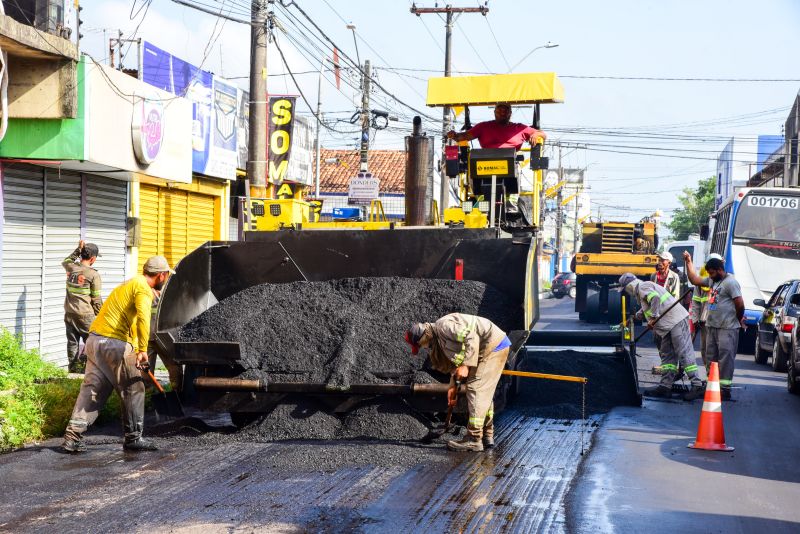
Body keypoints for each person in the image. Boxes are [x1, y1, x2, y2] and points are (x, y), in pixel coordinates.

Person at [62, 256, 175, 453]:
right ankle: (134, 437)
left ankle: (72, 437)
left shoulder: (130, 283)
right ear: (161, 275)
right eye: (166, 276)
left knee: (92, 389)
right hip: (114, 343)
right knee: (133, 387)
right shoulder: (143, 289)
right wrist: (141, 351)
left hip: (95, 340)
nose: (165, 279)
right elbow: (143, 318)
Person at [405, 313, 511, 452]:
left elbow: (471, 337)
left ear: (425, 335)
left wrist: (466, 365)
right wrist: (452, 387)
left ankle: (474, 439)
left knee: (476, 388)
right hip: (484, 349)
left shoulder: (444, 326)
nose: (424, 348)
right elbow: (457, 363)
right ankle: (487, 434)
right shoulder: (440, 340)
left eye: (421, 345)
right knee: (482, 391)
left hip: (494, 346)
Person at [618, 273, 704, 400]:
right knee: (667, 356)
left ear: (629, 285)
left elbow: (655, 299)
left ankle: (697, 385)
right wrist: (635, 317)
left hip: (676, 321)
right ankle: (665, 386)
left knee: (684, 353)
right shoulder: (642, 290)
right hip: (668, 326)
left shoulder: (643, 287)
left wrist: (653, 317)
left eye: (625, 289)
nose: (627, 292)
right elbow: (647, 306)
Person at [683, 251, 744, 400]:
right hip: (712, 327)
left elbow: (740, 304)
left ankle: (724, 389)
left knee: (726, 359)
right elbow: (694, 279)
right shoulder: (713, 281)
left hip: (727, 328)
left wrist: (736, 320)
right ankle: (712, 386)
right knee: (711, 358)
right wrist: (688, 261)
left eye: (711, 273)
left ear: (719, 270)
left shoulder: (731, 283)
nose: (709, 276)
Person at [62, 240, 102, 373]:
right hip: (85, 316)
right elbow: (96, 299)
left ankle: (73, 369)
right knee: (92, 342)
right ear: (93, 259)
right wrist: (101, 316)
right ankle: (89, 370)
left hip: (69, 313)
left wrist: (78, 250)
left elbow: (66, 260)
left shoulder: (71, 268)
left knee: (72, 343)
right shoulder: (93, 275)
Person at [446, 103, 547, 150]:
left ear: (510, 113)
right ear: (494, 112)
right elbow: (464, 136)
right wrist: (454, 135)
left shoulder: (519, 128)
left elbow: (543, 134)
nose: (502, 113)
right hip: (485, 163)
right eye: (499, 111)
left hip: (512, 164)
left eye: (505, 111)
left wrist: (536, 134)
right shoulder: (483, 126)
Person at [147, 287, 183, 391]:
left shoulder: (165, 288)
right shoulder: (168, 288)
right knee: (146, 371)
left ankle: (175, 394)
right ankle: (150, 397)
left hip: (155, 335)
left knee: (174, 369)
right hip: (159, 336)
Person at [690, 264, 713, 369]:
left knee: (715, 349)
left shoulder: (724, 283)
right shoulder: (699, 285)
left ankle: (717, 374)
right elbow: (695, 303)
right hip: (704, 322)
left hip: (718, 323)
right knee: (704, 349)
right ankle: (709, 373)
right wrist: (695, 320)